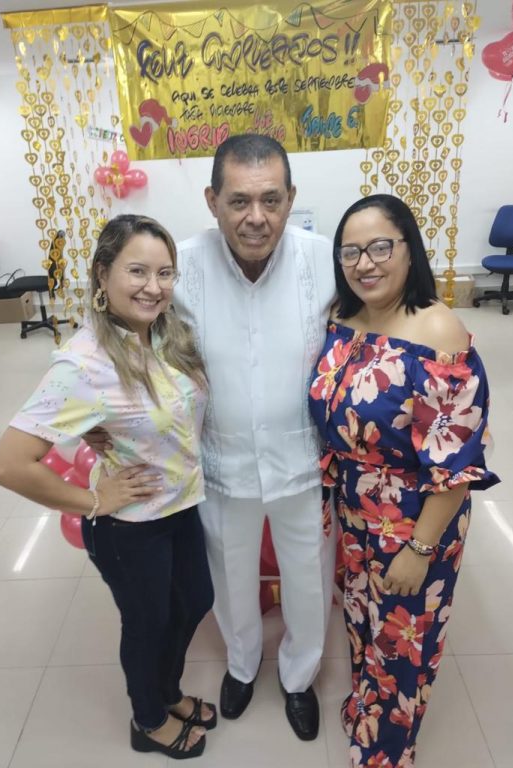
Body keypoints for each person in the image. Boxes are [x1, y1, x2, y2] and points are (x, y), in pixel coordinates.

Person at [0, 215, 216, 760]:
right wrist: (94, 500)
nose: (154, 286)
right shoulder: (84, 364)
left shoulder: (166, 333)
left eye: (165, 273)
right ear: (102, 275)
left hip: (181, 505)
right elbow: (7, 464)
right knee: (149, 623)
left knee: (195, 601)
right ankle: (149, 719)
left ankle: (167, 691)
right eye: (136, 271)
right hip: (128, 525)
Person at [308, 194, 499, 767]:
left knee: (402, 641)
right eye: (350, 252)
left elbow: (456, 463)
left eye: (379, 247)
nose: (364, 263)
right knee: (364, 625)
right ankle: (367, 709)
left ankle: (388, 751)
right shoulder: (341, 319)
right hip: (355, 508)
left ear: (408, 250)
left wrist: (419, 547)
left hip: (416, 518)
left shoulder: (438, 331)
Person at [176, 134, 337, 740]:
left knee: (307, 574)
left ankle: (299, 677)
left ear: (291, 197)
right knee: (230, 573)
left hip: (303, 460)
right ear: (212, 199)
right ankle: (242, 667)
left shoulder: (325, 259)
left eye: (271, 199)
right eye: (239, 201)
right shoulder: (180, 266)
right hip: (220, 460)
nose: (256, 217)